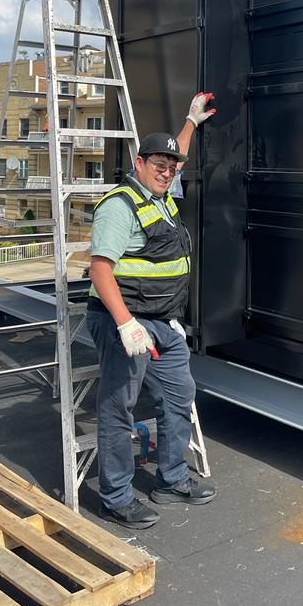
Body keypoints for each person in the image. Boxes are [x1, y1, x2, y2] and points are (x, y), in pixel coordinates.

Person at [87, 92, 217, 528]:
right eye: (158, 164)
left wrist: (191, 122)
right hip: (123, 321)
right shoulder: (120, 205)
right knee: (118, 407)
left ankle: (171, 478)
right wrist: (126, 325)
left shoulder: (162, 197)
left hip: (162, 323)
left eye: (172, 166)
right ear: (138, 163)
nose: (167, 171)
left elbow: (176, 152)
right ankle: (116, 496)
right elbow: (100, 269)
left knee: (180, 396)